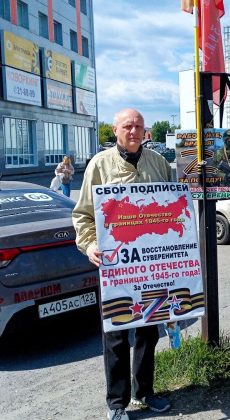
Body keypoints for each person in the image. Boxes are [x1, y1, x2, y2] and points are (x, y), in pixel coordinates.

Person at [72, 108, 172, 420]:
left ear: (146, 131)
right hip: (117, 268)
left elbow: (171, 206)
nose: (133, 131)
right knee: (116, 334)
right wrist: (90, 245)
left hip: (151, 267)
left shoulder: (158, 163)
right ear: (115, 130)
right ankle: (117, 404)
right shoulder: (99, 165)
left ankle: (145, 393)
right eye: (127, 126)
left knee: (149, 332)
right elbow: (84, 214)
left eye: (138, 126)